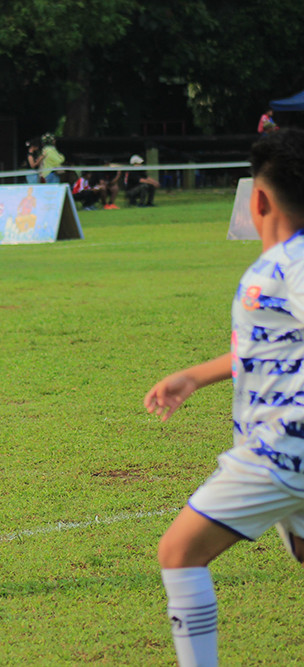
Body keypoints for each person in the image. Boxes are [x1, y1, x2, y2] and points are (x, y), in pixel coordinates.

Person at [144, 128, 304, 667]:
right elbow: (273, 346)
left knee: (179, 551)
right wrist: (195, 375)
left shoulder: (294, 263)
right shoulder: (280, 264)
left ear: (257, 199)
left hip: (283, 449)